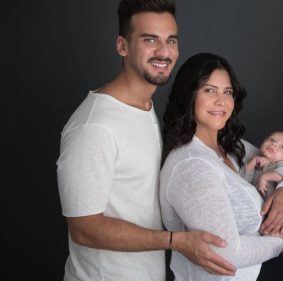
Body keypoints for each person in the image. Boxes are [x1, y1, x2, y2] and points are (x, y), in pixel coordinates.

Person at [56, 1, 236, 280]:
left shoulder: (146, 107)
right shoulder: (95, 127)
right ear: (122, 46)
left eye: (171, 41)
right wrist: (175, 241)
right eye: (150, 40)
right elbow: (84, 228)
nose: (164, 52)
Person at [159, 52, 283, 280]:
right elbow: (226, 253)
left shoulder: (230, 146)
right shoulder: (191, 165)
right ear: (189, 96)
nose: (222, 101)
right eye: (209, 90)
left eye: (227, 92)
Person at [242, 131, 283, 262]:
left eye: (282, 147)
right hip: (269, 211)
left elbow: (282, 174)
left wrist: (265, 176)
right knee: (270, 226)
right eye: (271, 140)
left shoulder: (282, 165)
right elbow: (242, 179)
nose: (274, 144)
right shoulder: (257, 163)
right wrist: (253, 161)